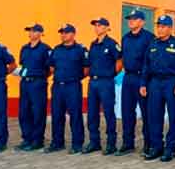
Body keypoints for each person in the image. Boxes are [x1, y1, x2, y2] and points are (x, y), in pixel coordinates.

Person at [141, 15, 175, 162]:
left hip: (171, 83)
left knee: (173, 116)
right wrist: (143, 83)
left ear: (170, 28)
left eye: (163, 27)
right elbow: (146, 66)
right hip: (154, 83)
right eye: (159, 26)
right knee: (154, 116)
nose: (160, 29)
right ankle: (156, 147)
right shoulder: (152, 44)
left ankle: (170, 148)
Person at [45, 24, 89, 154]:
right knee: (57, 115)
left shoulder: (81, 49)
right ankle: (57, 142)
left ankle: (77, 143)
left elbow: (86, 69)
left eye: (66, 33)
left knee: (75, 115)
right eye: (62, 33)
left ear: (73, 34)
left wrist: (74, 78)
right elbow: (52, 67)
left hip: (73, 86)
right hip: (58, 86)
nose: (63, 35)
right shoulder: (56, 49)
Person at [84, 17, 122, 155]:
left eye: (100, 25)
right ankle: (94, 142)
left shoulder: (112, 44)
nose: (97, 28)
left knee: (108, 113)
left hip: (106, 82)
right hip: (93, 82)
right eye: (95, 25)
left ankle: (111, 143)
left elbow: (119, 61)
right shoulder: (93, 44)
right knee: (92, 113)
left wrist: (110, 74)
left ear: (107, 27)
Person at [119, 9, 154, 156]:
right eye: (130, 19)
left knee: (146, 113)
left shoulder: (149, 38)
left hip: (142, 78)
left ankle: (149, 143)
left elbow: (151, 61)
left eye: (134, 19)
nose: (131, 21)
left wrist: (145, 82)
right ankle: (128, 143)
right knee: (127, 112)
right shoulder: (125, 38)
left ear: (142, 21)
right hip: (128, 77)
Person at [16, 24, 51, 151]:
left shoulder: (45, 49)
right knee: (24, 112)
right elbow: (23, 65)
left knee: (38, 112)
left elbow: (50, 68)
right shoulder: (24, 48)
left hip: (38, 83)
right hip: (25, 83)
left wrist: (41, 77)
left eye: (33, 31)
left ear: (40, 33)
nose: (30, 33)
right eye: (29, 31)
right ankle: (27, 138)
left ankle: (37, 140)